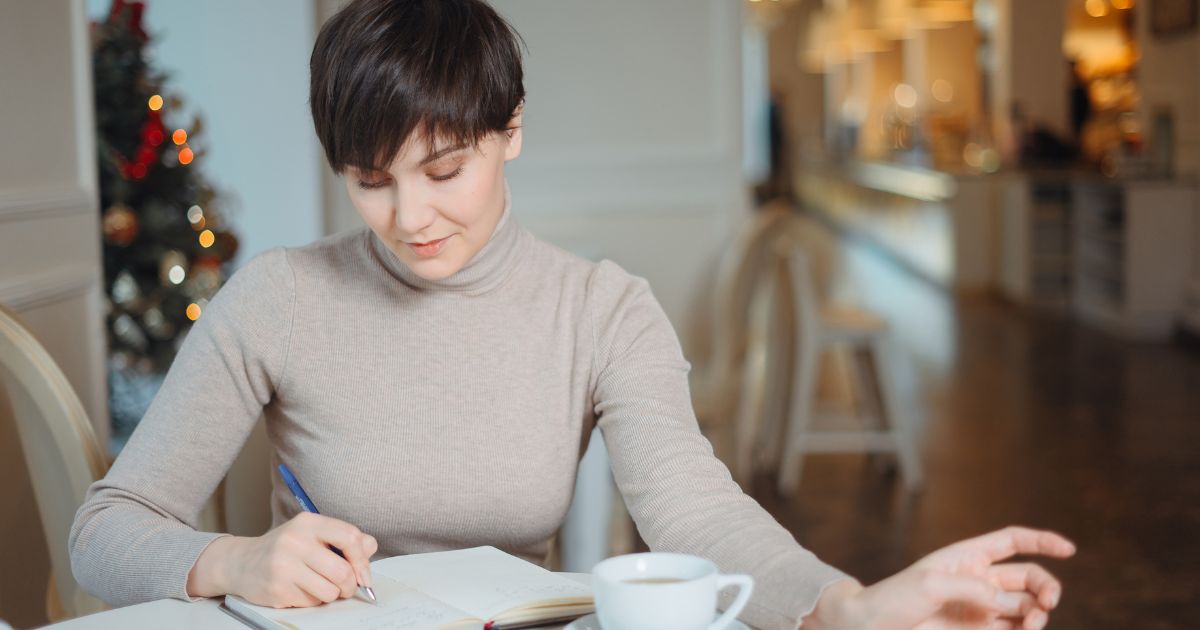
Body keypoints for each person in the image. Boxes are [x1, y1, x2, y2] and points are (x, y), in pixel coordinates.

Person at [69, 1, 1074, 628]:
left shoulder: (602, 309)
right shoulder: (282, 295)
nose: (408, 218)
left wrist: (846, 607)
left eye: (445, 170)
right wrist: (230, 558)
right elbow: (107, 525)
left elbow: (696, 511)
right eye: (369, 181)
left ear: (511, 132)